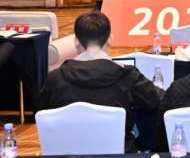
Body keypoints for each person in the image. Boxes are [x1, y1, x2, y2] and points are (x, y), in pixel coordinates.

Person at [39, 11, 163, 151]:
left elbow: (43, 114)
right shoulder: (128, 76)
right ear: (110, 39)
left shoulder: (55, 78)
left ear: (76, 42)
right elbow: (159, 100)